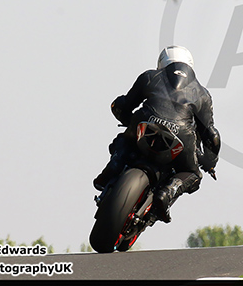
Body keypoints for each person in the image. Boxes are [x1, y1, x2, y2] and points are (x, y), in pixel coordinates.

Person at [93, 45, 220, 223]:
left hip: (146, 123)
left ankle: (114, 165)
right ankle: (167, 192)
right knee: (192, 174)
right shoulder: (202, 94)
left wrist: (127, 119)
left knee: (125, 140)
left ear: (162, 63)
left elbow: (124, 104)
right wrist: (210, 163)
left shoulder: (150, 76)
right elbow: (212, 136)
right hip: (181, 137)